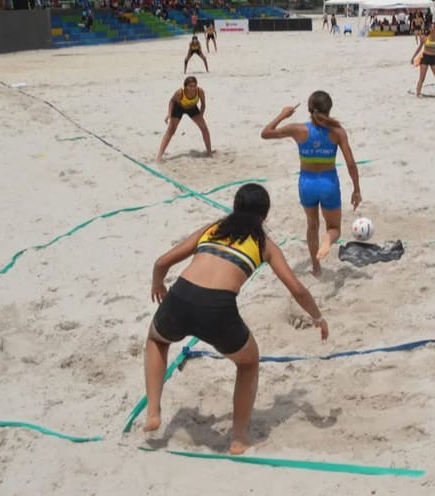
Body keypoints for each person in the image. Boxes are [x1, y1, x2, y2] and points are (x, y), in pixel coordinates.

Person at [142, 183, 328, 455]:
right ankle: (239, 438)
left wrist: (158, 285)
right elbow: (297, 289)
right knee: (249, 362)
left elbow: (161, 262)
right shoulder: (264, 244)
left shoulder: (212, 228)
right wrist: (318, 317)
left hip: (180, 296)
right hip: (217, 307)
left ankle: (153, 412)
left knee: (157, 340)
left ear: (235, 206)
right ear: (264, 216)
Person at [261, 91, 362, 276]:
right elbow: (351, 164)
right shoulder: (337, 132)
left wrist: (284, 114)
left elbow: (265, 133)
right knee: (334, 229)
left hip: (307, 184)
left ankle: (316, 267)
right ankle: (327, 241)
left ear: (309, 109)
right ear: (329, 109)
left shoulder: (299, 130)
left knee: (312, 224)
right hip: (328, 183)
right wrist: (356, 189)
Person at [156, 76, 212, 162]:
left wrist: (201, 115)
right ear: (186, 86)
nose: (193, 88)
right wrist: (169, 114)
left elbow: (203, 104)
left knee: (204, 128)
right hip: (179, 107)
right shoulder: (179, 93)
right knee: (171, 131)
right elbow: (171, 101)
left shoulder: (200, 91)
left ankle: (209, 152)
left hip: (192, 108)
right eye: (190, 86)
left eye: (194, 85)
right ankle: (159, 156)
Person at [411, 23, 435, 97]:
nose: (432, 29)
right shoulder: (425, 38)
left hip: (433, 58)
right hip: (425, 57)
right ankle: (417, 95)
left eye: (434, 27)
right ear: (429, 29)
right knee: (422, 78)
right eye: (431, 27)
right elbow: (419, 48)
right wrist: (413, 57)